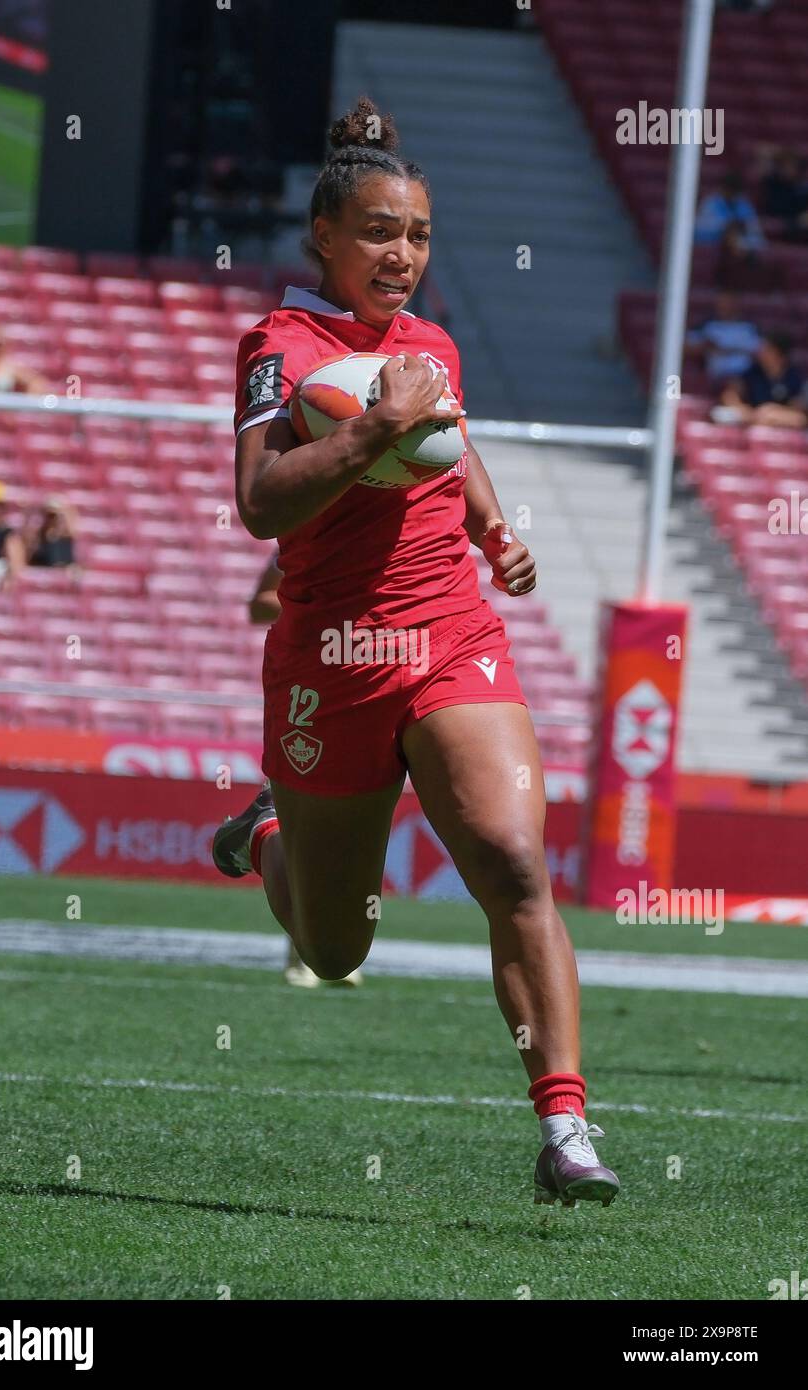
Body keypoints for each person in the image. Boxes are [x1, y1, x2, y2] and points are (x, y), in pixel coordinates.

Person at [211, 96, 619, 1207]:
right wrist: (367, 431)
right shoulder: (276, 345)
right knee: (336, 948)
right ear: (324, 239)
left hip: (447, 635)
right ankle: (268, 840)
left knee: (510, 858)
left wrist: (491, 527)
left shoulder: (429, 344)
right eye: (381, 233)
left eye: (419, 235)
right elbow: (256, 502)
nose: (402, 255)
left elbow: (453, 439)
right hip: (331, 658)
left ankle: (564, 1125)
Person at [247, 549, 360, 987]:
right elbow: (258, 603)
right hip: (308, 690)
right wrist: (322, 607)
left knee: (353, 830)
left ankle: (335, 948)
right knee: (306, 826)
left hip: (368, 689)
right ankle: (303, 951)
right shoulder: (305, 535)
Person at [714, 332, 808, 427]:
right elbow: (730, 393)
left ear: (779, 353)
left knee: (799, 419)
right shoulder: (753, 371)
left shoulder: (793, 376)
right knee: (720, 414)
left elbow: (798, 408)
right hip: (751, 416)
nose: (760, 352)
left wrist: (772, 410)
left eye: (766, 349)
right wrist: (742, 409)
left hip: (778, 418)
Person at [684, 292, 761, 389]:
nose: (723, 306)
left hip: (746, 378)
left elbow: (762, 353)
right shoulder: (708, 326)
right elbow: (685, 347)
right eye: (721, 303)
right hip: (717, 379)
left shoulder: (749, 327)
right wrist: (705, 345)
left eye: (728, 303)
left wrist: (723, 349)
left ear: (736, 305)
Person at [695, 171, 765, 250]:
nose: (731, 195)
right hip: (711, 250)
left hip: (739, 252)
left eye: (735, 192)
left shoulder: (745, 206)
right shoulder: (710, 203)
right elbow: (698, 231)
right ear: (723, 188)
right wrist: (724, 229)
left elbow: (758, 239)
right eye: (729, 190)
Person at [26, 497, 78, 568]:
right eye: (50, 516)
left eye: (56, 516)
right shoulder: (38, 541)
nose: (54, 520)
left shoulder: (70, 543)